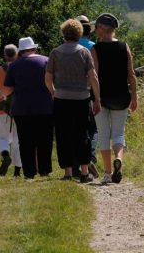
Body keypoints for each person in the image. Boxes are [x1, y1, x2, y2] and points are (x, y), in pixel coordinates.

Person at [45, 19, 101, 183]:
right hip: (81, 99)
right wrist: (97, 98)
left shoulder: (55, 53)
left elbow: (47, 78)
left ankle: (68, 172)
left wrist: (54, 91)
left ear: (64, 33)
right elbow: (93, 77)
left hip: (61, 99)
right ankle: (84, 172)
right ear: (79, 33)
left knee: (63, 135)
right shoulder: (84, 52)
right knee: (82, 134)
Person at [91, 13, 138, 184]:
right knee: (118, 133)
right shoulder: (124, 47)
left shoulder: (95, 49)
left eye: (96, 27)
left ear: (102, 30)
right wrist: (134, 97)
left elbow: (94, 76)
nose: (95, 30)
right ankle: (119, 158)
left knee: (104, 135)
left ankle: (108, 174)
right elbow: (131, 75)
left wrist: (96, 99)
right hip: (121, 97)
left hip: (102, 97)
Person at [3, 37, 53, 180]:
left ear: (20, 51)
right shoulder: (46, 61)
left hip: (22, 108)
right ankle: (45, 170)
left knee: (26, 141)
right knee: (45, 139)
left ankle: (29, 172)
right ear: (34, 48)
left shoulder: (14, 65)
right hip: (45, 107)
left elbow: (7, 90)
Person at [0, 44, 22, 177]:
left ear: (4, 55)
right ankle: (17, 171)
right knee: (17, 141)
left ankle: (4, 154)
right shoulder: (21, 68)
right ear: (17, 54)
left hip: (4, 110)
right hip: (20, 109)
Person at [76, 15, 99, 178]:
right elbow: (96, 72)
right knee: (93, 128)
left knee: (75, 128)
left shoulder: (69, 46)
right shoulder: (94, 47)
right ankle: (90, 156)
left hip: (71, 92)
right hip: (90, 91)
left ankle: (77, 162)